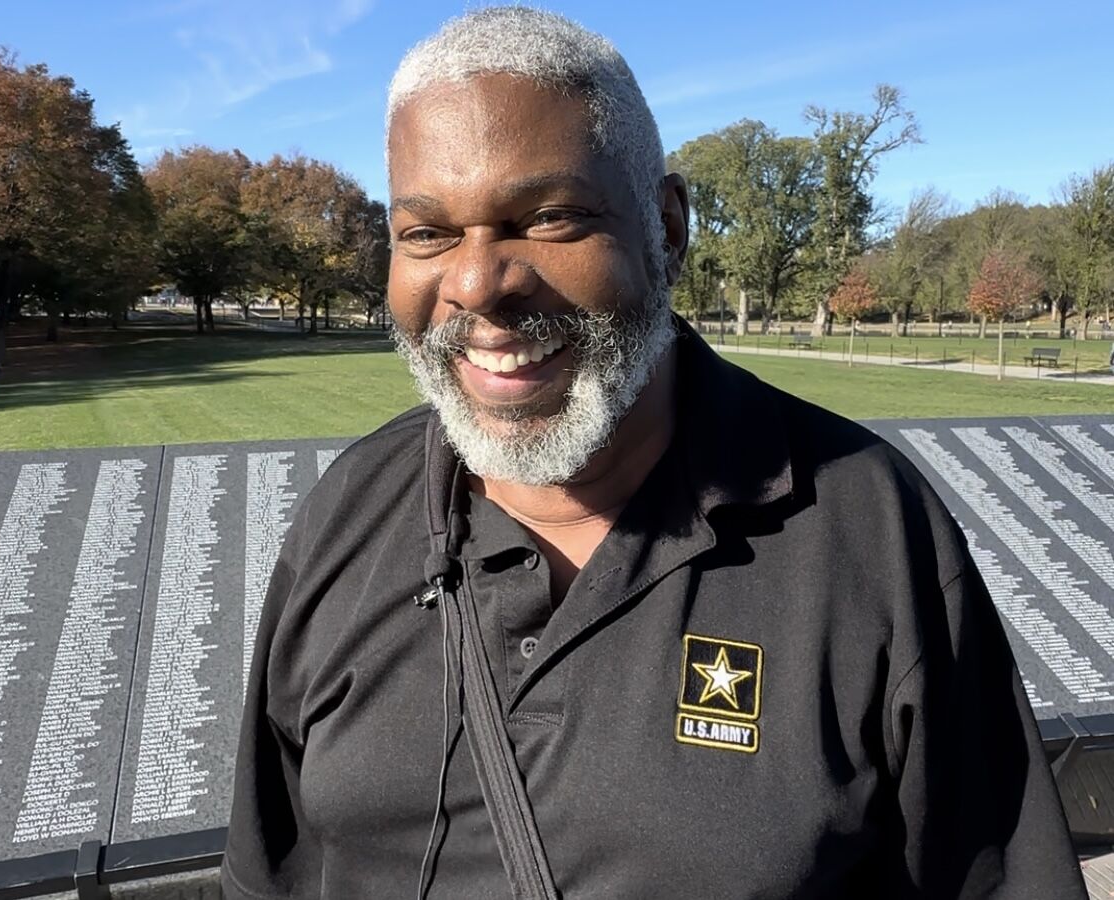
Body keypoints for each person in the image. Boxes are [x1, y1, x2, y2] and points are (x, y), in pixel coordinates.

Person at [221, 8, 1085, 898]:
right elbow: (269, 871)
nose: (478, 285)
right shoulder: (350, 509)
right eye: (427, 233)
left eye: (549, 216)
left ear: (665, 229)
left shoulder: (865, 525)